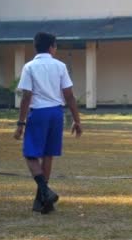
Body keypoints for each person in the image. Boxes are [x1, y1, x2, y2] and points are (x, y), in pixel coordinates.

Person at [14, 32, 83, 214]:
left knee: (30, 155)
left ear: (35, 47)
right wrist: (77, 120)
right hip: (56, 112)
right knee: (48, 155)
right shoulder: (60, 66)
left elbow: (26, 96)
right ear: (52, 47)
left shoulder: (29, 67)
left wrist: (21, 123)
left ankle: (45, 191)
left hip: (38, 113)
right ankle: (42, 201)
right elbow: (69, 95)